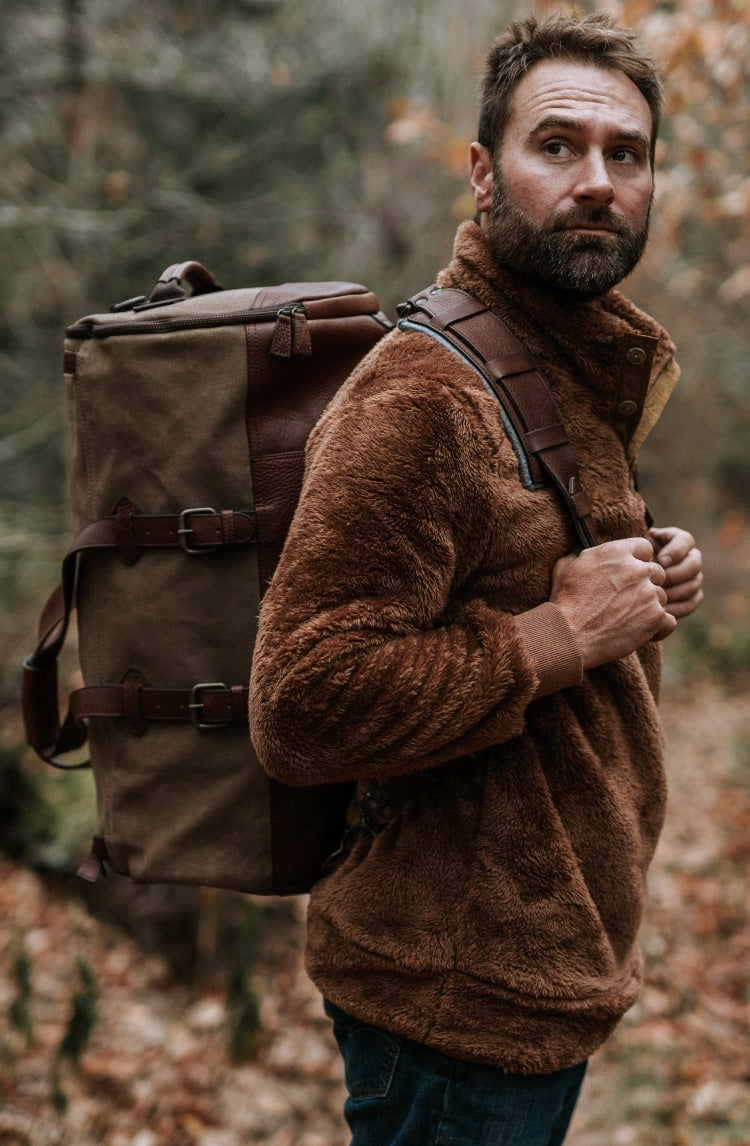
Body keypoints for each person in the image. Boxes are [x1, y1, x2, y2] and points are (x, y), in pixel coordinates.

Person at [249, 12, 704, 1145]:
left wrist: (642, 583)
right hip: (450, 1005)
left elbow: (519, 574)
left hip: (535, 975)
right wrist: (559, 637)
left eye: (627, 153)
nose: (597, 180)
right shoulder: (425, 395)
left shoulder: (558, 357)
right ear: (483, 172)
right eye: (558, 145)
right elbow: (301, 700)